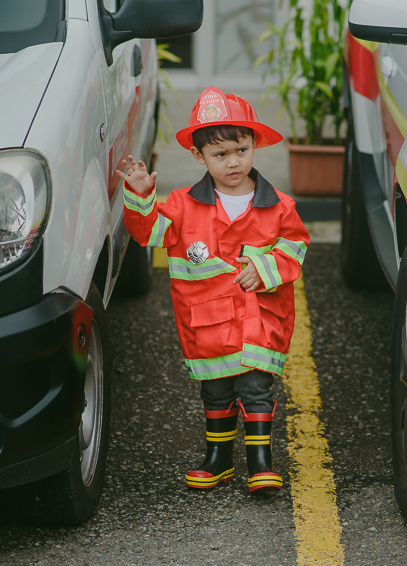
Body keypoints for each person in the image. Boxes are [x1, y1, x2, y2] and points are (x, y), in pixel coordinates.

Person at [116, 86, 309, 493]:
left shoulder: (280, 206)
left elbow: (296, 246)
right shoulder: (183, 204)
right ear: (198, 157)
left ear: (254, 144)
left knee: (257, 388)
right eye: (220, 155)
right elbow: (149, 233)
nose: (233, 162)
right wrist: (140, 195)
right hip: (207, 326)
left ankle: (260, 464)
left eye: (241, 149)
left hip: (260, 322)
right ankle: (217, 460)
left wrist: (265, 267)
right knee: (216, 392)